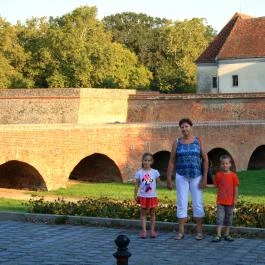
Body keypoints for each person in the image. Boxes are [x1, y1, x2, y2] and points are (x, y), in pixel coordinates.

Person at [166, 118, 208, 240]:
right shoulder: (177, 142)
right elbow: (172, 161)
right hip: (181, 176)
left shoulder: (198, 140)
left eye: (186, 126)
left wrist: (205, 178)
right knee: (181, 203)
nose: (184, 129)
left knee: (198, 204)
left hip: (196, 175)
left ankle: (199, 232)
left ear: (191, 127)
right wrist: (169, 178)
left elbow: (205, 159)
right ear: (180, 129)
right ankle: (181, 232)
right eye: (182, 127)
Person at [207, 154, 239, 242]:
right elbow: (215, 185)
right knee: (219, 218)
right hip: (220, 201)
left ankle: (227, 234)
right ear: (220, 165)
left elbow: (236, 188)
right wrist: (205, 185)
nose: (225, 165)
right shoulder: (218, 175)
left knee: (229, 218)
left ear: (230, 164)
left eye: (226, 163)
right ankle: (218, 235)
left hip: (230, 201)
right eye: (223, 164)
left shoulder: (233, 176)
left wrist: (235, 199)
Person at [134, 152, 163, 239]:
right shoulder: (139, 173)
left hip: (152, 196)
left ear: (152, 162)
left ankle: (152, 231)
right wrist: (135, 194)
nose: (147, 162)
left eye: (149, 160)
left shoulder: (155, 172)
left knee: (152, 213)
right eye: (145, 160)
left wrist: (168, 185)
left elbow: (159, 182)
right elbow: (136, 185)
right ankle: (144, 231)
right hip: (143, 196)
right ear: (142, 161)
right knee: (143, 213)